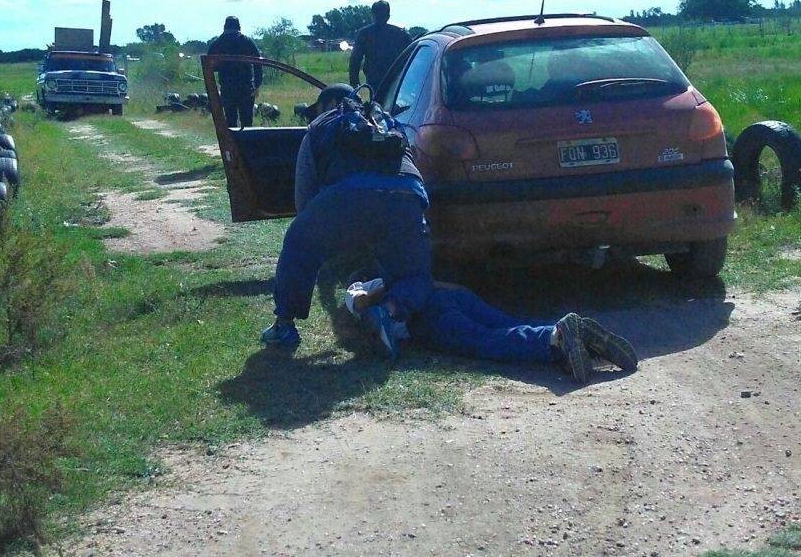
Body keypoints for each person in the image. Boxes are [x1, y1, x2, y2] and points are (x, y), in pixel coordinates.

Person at [260, 83, 433, 357]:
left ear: (326, 105)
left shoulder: (322, 124)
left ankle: (284, 325)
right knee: (416, 273)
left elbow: (304, 198)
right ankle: (389, 311)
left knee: (298, 242)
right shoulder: (389, 122)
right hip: (407, 195)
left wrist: (324, 239)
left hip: (348, 194)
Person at [345, 279, 638, 384]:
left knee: (485, 342)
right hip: (455, 295)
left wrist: (368, 308)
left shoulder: (365, 282)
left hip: (427, 318)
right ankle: (578, 336)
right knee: (507, 325)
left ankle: (556, 337)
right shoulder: (409, 268)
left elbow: (358, 298)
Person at [207, 16, 263, 127]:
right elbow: (258, 63)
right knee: (247, 121)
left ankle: (232, 143)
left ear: (224, 27)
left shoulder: (217, 43)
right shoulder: (247, 41)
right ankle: (246, 144)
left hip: (227, 88)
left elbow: (209, 66)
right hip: (245, 87)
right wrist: (257, 85)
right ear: (239, 27)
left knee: (230, 120)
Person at [349, 0, 412, 89]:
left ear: (373, 16)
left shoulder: (365, 34)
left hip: (374, 79)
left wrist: (354, 82)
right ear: (388, 16)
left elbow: (355, 59)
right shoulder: (400, 33)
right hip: (396, 78)